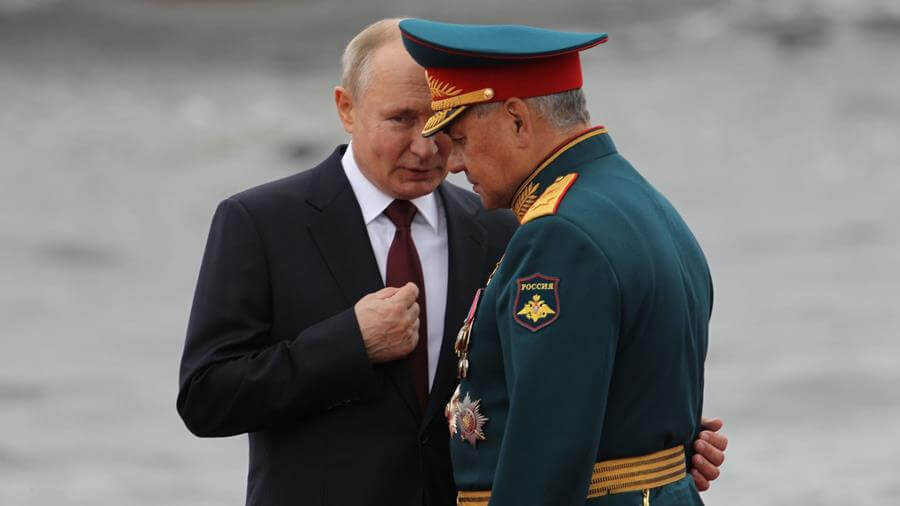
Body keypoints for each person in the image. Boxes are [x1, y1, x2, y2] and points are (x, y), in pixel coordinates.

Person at [177, 18, 726, 506]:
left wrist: (651, 439)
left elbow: (540, 397)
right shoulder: (260, 222)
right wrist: (349, 343)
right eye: (401, 119)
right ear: (346, 109)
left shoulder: (509, 227)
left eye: (444, 127)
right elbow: (205, 397)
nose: (428, 148)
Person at [400, 18, 717, 505]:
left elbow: (545, 457)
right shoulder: (642, 203)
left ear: (517, 121)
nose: (455, 164)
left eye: (459, 140)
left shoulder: (557, 235)